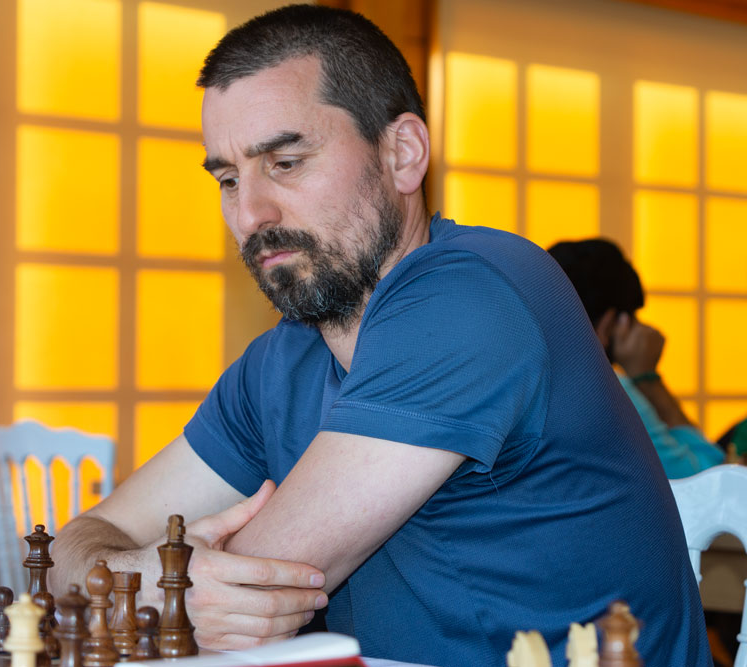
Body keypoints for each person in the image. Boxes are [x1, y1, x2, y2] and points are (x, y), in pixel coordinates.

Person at [50, 5, 709, 665]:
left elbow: (256, 589)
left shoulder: (473, 295)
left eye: (285, 162)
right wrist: (154, 576)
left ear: (403, 154)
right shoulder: (281, 360)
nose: (249, 214)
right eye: (228, 179)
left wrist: (145, 581)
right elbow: (68, 553)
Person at [547, 238, 725, 479]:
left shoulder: (517, 379)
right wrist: (648, 380)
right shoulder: (609, 390)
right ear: (612, 323)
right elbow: (709, 480)